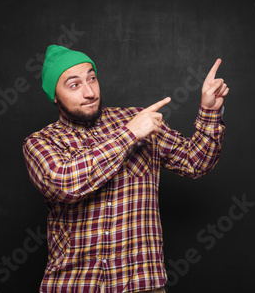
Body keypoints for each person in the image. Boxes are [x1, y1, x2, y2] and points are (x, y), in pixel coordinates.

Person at [22, 44, 229, 293]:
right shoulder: (41, 142)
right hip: (75, 285)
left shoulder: (139, 118)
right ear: (54, 95)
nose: (89, 92)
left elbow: (196, 162)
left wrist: (209, 110)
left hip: (142, 285)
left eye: (92, 79)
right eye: (74, 85)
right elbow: (63, 184)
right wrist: (130, 134)